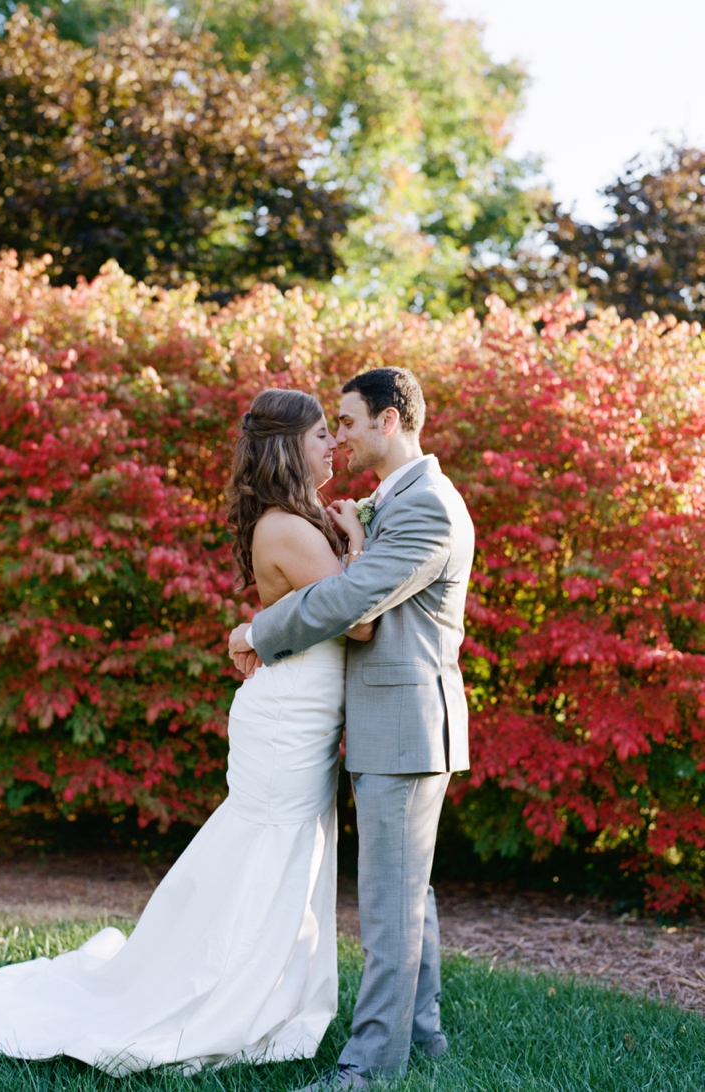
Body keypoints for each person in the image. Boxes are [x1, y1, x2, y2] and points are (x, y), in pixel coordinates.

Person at [0, 388, 373, 1076]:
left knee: (287, 859)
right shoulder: (289, 527)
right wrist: (357, 541)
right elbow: (358, 619)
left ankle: (265, 995)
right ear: (287, 445)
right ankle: (217, 1000)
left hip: (303, 712)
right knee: (264, 858)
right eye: (321, 433)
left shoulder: (300, 519)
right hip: (287, 720)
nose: (334, 445)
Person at [229, 367, 475, 1090]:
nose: (339, 436)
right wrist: (358, 525)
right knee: (409, 894)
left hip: (405, 726)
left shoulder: (428, 505)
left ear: (389, 421)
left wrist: (255, 630)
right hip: (398, 724)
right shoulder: (397, 498)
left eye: (348, 422)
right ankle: (423, 1037)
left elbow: (355, 597)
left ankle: (367, 1069)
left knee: (389, 908)